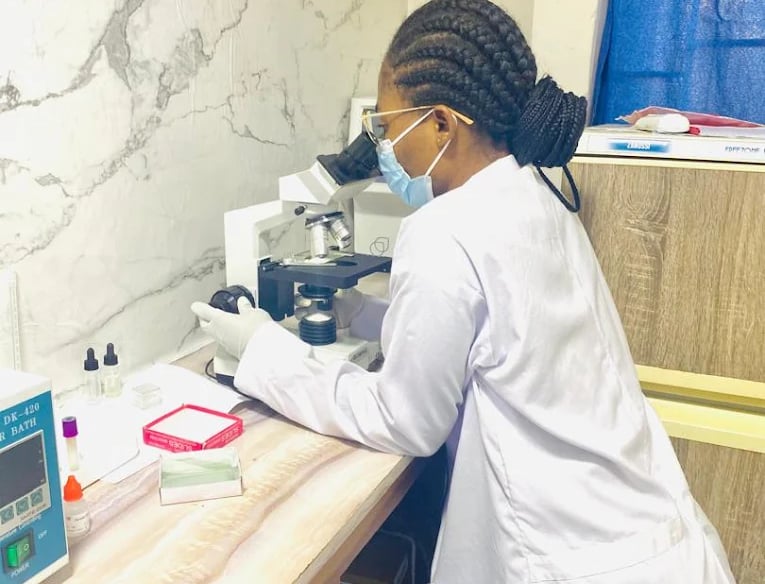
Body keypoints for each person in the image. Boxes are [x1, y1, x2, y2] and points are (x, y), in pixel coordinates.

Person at [191, 1, 736, 582]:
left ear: (441, 124)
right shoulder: (536, 195)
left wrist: (263, 351)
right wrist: (365, 313)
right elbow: (508, 336)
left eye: (387, 128)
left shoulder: (445, 228)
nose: (384, 148)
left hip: (571, 560)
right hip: (657, 537)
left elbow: (405, 421)